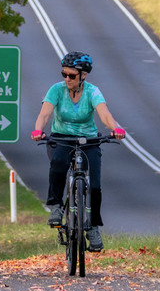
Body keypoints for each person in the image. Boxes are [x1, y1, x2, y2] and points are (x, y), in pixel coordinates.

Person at [30, 51, 125, 252]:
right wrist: (38, 130)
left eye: (72, 76)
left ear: (83, 76)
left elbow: (104, 113)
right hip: (61, 139)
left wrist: (114, 128)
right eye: (64, 74)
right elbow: (44, 114)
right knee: (58, 165)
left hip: (88, 140)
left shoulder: (93, 92)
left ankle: (93, 228)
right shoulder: (56, 90)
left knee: (95, 186)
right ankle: (55, 207)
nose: (67, 79)